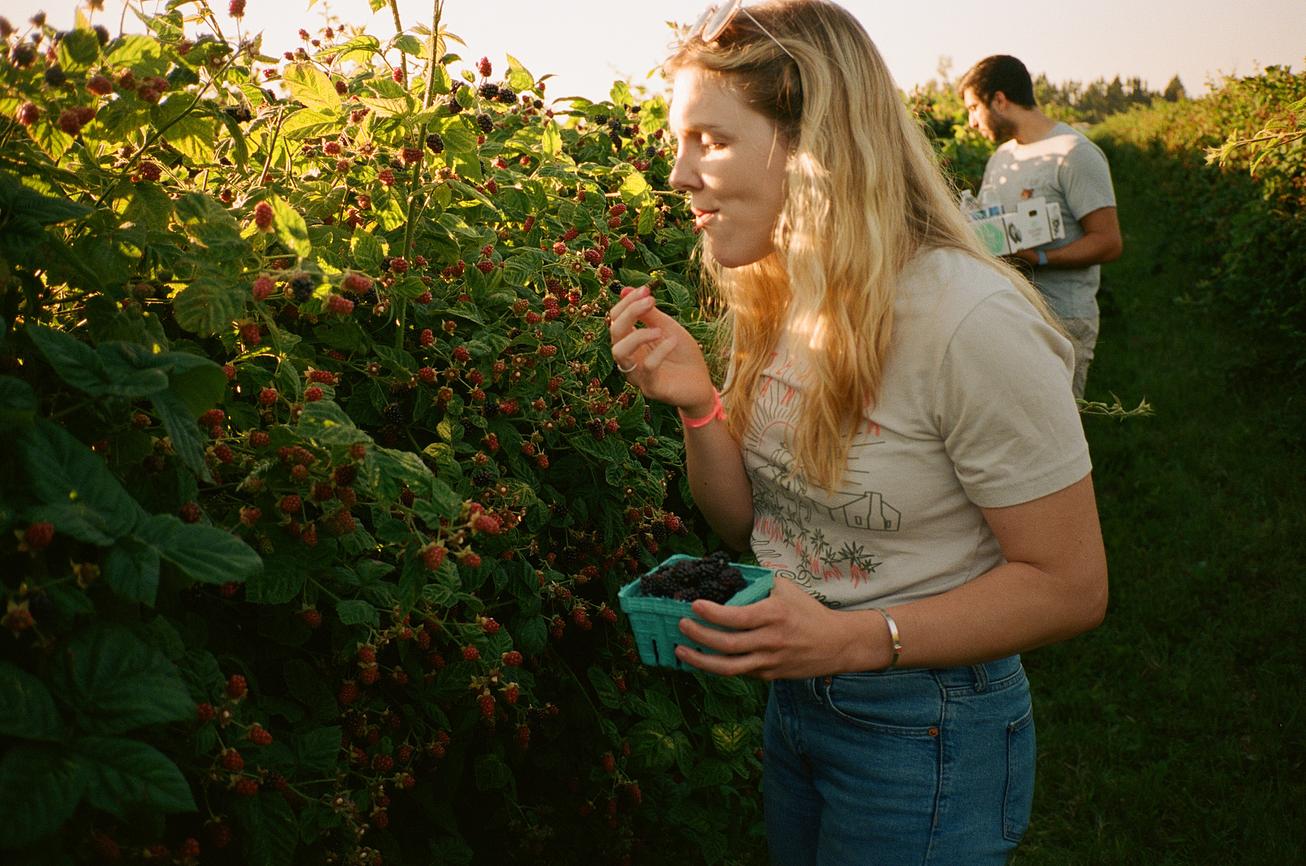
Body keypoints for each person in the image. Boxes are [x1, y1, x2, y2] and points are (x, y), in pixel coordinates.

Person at [607, 2, 1108, 864]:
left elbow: (1070, 586)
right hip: (801, 703)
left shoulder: (965, 321)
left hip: (925, 724)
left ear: (813, 144)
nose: (680, 175)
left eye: (711, 141)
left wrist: (854, 638)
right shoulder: (781, 297)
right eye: (677, 145)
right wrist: (700, 407)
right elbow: (749, 526)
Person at [959, 54, 1124, 398]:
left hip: (1062, 319)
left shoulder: (1074, 153)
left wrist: (1042, 259)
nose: (971, 122)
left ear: (999, 100)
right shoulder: (1002, 158)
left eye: (974, 108)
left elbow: (1108, 241)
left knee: (1058, 428)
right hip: (1013, 311)